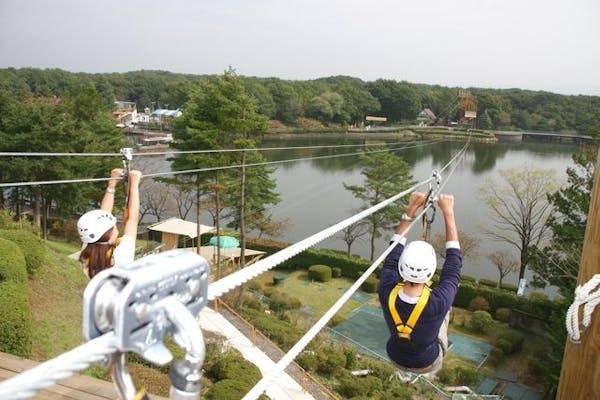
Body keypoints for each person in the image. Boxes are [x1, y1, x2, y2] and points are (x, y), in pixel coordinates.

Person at [378, 191, 461, 377]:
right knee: (445, 310)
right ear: (431, 271)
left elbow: (392, 254)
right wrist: (448, 212)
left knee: (446, 300)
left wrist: (411, 209)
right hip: (428, 362)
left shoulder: (386, 290)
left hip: (395, 354)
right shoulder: (437, 302)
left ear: (402, 267)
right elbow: (453, 265)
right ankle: (426, 373)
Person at [77, 168, 142, 278]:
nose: (115, 227)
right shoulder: (120, 258)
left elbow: (103, 215)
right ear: (108, 235)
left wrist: (112, 183)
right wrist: (134, 185)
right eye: (112, 227)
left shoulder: (88, 252)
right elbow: (132, 220)